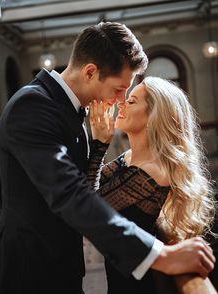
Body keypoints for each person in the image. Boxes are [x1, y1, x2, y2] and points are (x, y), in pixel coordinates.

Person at [0, 22, 215, 294]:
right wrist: (159, 255)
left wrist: (97, 145)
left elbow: (84, 187)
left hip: (61, 268)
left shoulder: (70, 111)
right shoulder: (33, 106)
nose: (119, 101)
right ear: (91, 72)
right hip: (25, 274)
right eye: (119, 89)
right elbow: (70, 195)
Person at [88, 76, 217, 293]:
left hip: (140, 283)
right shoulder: (129, 158)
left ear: (153, 116)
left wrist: (99, 144)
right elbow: (86, 189)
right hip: (124, 271)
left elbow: (88, 209)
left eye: (132, 101)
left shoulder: (152, 171)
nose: (122, 104)